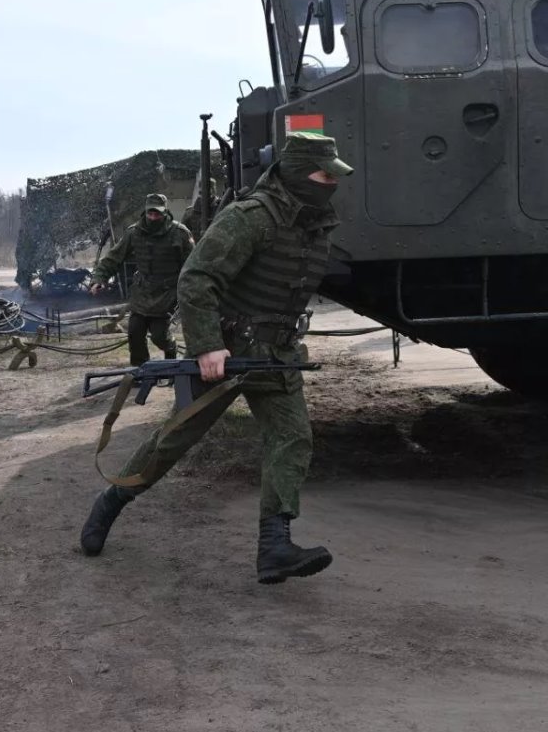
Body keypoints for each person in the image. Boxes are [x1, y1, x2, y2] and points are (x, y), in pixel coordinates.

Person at [80, 132, 353, 584]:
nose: (331, 184)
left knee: (292, 438)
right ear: (300, 173)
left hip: (276, 354)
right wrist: (207, 345)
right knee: (175, 439)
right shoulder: (251, 217)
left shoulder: (313, 222)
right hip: (226, 350)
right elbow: (197, 278)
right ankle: (111, 500)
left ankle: (274, 546)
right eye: (324, 175)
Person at [90, 193, 194, 366]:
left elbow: (193, 264)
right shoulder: (134, 232)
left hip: (167, 293)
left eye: (157, 213)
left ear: (165, 212)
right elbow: (113, 258)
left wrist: (189, 290)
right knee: (135, 332)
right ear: (145, 212)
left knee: (159, 335)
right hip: (142, 291)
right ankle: (140, 370)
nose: (153, 217)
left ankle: (171, 351)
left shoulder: (180, 233)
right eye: (150, 213)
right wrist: (99, 278)